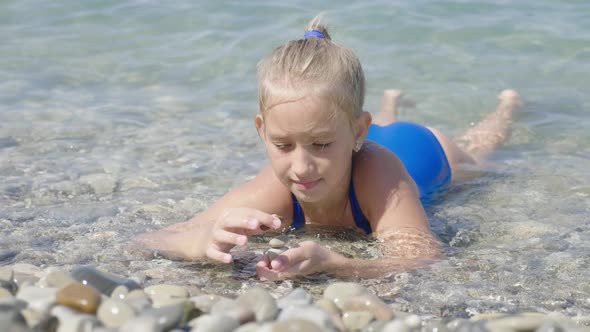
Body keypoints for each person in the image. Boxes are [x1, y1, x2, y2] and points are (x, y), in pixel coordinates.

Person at [137, 16, 522, 280]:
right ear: (262, 130)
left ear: (358, 131)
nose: (301, 167)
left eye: (319, 144)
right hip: (359, 135)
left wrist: (337, 264)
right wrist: (201, 241)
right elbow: (157, 238)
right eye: (283, 144)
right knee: (368, 124)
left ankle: (507, 107)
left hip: (422, 153)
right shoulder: (275, 184)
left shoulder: (379, 173)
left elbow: (420, 255)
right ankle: (390, 102)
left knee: (478, 154)